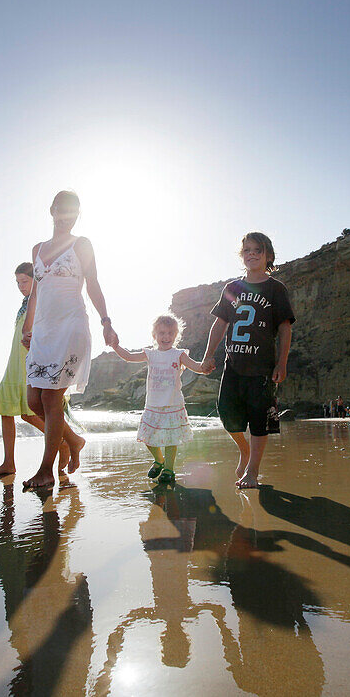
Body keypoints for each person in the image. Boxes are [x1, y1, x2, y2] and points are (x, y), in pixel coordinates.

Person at [21, 190, 118, 489]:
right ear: (51, 210)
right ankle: (73, 440)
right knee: (33, 400)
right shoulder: (37, 248)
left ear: (77, 216)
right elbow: (35, 293)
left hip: (71, 327)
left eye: (72, 213)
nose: (66, 217)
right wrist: (28, 327)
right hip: (43, 331)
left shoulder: (81, 244)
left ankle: (46, 470)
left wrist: (106, 322)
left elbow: (93, 284)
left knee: (51, 398)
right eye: (62, 211)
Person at [200, 232, 294, 488]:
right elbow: (219, 324)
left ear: (268, 255)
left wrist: (281, 363)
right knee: (227, 414)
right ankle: (244, 450)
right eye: (247, 250)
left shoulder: (276, 288)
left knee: (259, 419)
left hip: (262, 368)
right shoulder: (232, 288)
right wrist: (209, 355)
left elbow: (285, 327)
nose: (251, 254)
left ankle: (252, 471)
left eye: (257, 250)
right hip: (234, 365)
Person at [0, 262, 78, 478]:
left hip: (32, 360)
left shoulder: (43, 301)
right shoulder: (24, 304)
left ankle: (65, 442)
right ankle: (8, 463)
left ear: (35, 281)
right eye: (17, 282)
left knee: (30, 413)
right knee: (6, 410)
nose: (20, 286)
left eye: (24, 281)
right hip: (14, 362)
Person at [110, 314, 210, 485]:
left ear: (176, 335)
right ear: (154, 335)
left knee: (172, 439)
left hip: (173, 404)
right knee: (147, 437)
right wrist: (115, 346)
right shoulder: (150, 354)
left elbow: (196, 367)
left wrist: (206, 367)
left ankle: (169, 470)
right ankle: (159, 460)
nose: (166, 337)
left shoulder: (179, 354)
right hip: (153, 405)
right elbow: (128, 356)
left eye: (171, 333)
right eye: (162, 333)